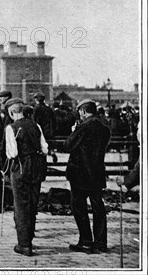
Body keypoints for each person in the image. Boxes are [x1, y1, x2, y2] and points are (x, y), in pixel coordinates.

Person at [64, 99, 111, 254]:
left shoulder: (83, 127)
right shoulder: (104, 128)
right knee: (98, 207)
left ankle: (86, 241)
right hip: (97, 173)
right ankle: (101, 242)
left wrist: (73, 131)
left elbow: (68, 145)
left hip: (80, 173)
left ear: (83, 111)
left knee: (79, 207)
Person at [5, 103, 49, 256]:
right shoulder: (36, 125)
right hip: (37, 166)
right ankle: (29, 237)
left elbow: (12, 153)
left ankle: (24, 244)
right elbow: (45, 149)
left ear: (12, 113)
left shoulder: (12, 128)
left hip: (21, 167)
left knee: (21, 205)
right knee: (32, 202)